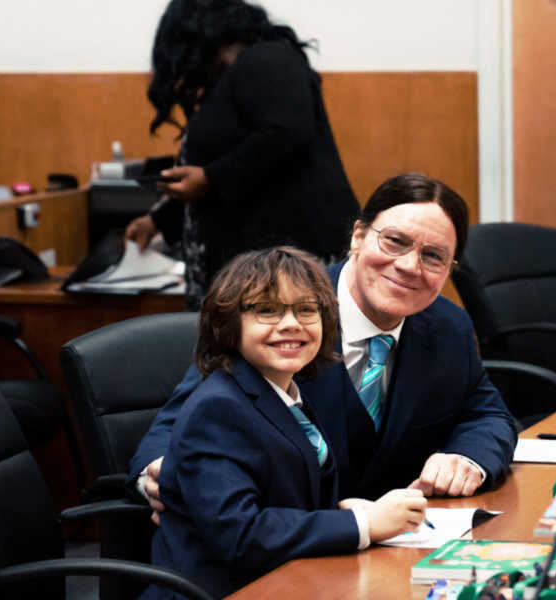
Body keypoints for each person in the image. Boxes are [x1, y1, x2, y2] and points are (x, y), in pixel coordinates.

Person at [131, 172, 518, 517]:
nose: (408, 266)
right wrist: (162, 473)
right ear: (358, 236)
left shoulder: (448, 325)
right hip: (282, 549)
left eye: (433, 256)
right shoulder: (276, 315)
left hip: (398, 544)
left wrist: (467, 458)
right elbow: (176, 426)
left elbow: (487, 415)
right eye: (395, 242)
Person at [141, 246, 427, 599]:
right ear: (230, 323)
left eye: (306, 309)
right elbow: (241, 536)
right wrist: (361, 524)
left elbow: (278, 495)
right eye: (267, 310)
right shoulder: (217, 409)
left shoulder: (284, 390)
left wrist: (338, 510)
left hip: (288, 577)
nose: (291, 323)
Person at [125, 0, 359, 310]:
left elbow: (286, 131)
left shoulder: (268, 57)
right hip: (258, 266)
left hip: (288, 265)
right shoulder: (228, 82)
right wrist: (158, 220)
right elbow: (237, 170)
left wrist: (209, 178)